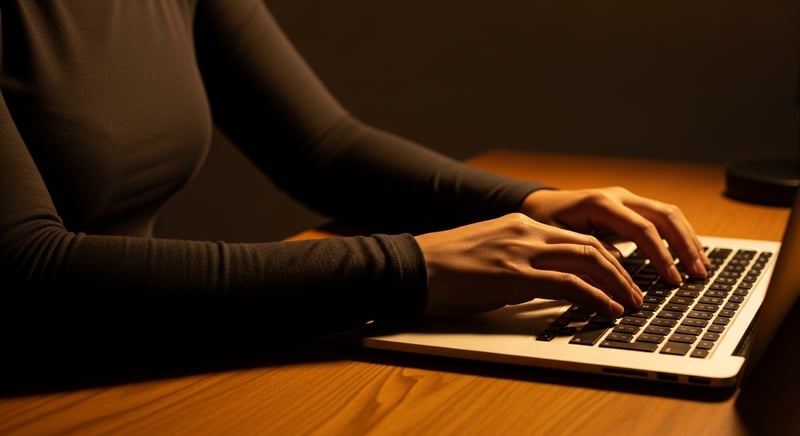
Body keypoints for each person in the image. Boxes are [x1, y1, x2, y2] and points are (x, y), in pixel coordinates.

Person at [0, 1, 710, 339]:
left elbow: (325, 150)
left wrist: (534, 203)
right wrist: (409, 268)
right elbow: (26, 270)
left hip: (137, 356)